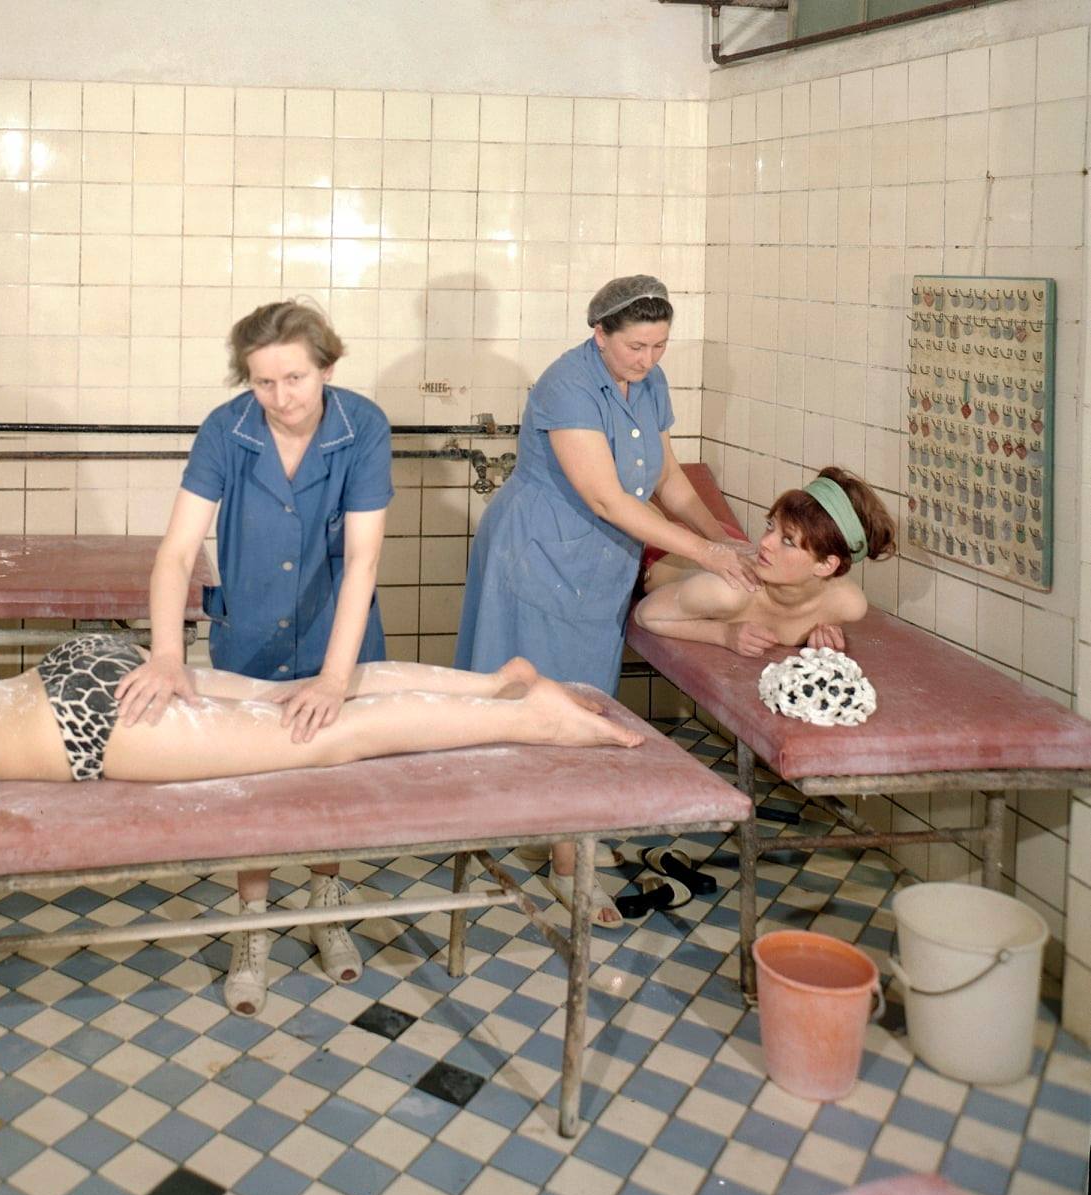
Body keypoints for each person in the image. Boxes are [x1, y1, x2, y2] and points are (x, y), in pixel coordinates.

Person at [0, 637, 643, 1012]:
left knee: (317, 739)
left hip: (88, 728)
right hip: (71, 670)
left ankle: (539, 716)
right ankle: (490, 686)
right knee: (288, 697)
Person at [113, 300, 393, 1014]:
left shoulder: (363, 427)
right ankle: (254, 926)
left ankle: (325, 904)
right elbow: (177, 552)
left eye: (295, 379)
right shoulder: (225, 430)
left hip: (337, 632)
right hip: (246, 637)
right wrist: (167, 657)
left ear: (327, 367)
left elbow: (363, 558)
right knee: (257, 785)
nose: (280, 398)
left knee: (329, 777)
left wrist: (335, 678)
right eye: (263, 383)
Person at [454, 275, 758, 928]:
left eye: (658, 346)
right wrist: (705, 558)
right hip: (535, 554)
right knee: (538, 702)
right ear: (599, 334)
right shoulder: (566, 384)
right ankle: (553, 857)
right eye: (634, 347)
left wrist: (722, 535)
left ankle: (569, 841)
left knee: (583, 708)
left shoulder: (649, 383)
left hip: (598, 564)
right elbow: (606, 498)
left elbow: (667, 478)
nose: (646, 360)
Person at [634, 467, 896, 654]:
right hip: (654, 553)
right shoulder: (729, 592)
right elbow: (646, 615)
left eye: (787, 540)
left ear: (827, 565)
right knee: (625, 502)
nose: (765, 542)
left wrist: (823, 635)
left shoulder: (847, 604)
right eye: (771, 525)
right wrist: (724, 635)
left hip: (730, 543)